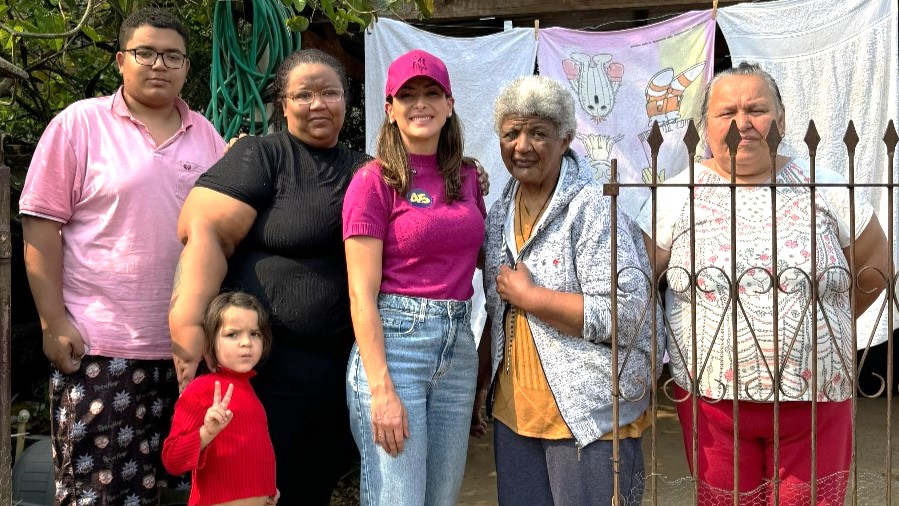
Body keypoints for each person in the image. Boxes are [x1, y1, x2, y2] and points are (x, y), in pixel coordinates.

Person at [637, 62, 891, 505]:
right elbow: (637, 281)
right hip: (710, 403)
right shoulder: (677, 194)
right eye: (726, 112)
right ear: (705, 126)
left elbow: (876, 264)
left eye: (756, 109)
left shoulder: (825, 185)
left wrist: (829, 326)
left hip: (816, 399)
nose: (742, 123)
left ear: (782, 119)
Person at [19, 8, 225, 504]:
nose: (159, 64)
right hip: (100, 347)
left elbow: (221, 233)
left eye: (172, 55)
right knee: (101, 494)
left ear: (186, 67)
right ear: (120, 60)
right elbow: (41, 226)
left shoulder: (208, 137)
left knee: (187, 490)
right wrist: (52, 322)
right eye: (146, 53)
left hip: (186, 353)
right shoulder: (79, 124)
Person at [168, 48, 366, 505]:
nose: (318, 103)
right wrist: (189, 332)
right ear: (282, 103)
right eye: (304, 94)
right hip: (260, 372)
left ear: (346, 99)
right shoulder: (260, 155)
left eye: (330, 93)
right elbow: (204, 234)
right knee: (250, 491)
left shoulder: (366, 168)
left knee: (310, 488)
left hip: (336, 368)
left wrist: (465, 171)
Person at [471, 74, 663, 506]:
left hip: (588, 417)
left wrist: (533, 297)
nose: (522, 146)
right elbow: (498, 309)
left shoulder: (592, 208)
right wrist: (482, 380)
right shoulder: (500, 210)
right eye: (512, 133)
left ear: (566, 139)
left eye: (538, 133)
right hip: (515, 414)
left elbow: (627, 312)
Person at [342, 49, 486, 505]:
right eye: (407, 96)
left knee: (441, 498)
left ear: (449, 103)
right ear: (390, 110)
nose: (420, 104)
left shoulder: (467, 178)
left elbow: (481, 257)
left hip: (458, 347)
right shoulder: (374, 181)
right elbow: (360, 294)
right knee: (397, 499)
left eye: (431, 93)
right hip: (395, 347)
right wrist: (381, 387)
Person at [162, 291, 278, 505]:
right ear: (210, 341)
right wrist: (206, 433)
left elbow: (251, 454)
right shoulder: (203, 389)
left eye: (255, 333)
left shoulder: (250, 392)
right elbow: (172, 459)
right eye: (232, 334)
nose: (246, 343)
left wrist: (267, 488)